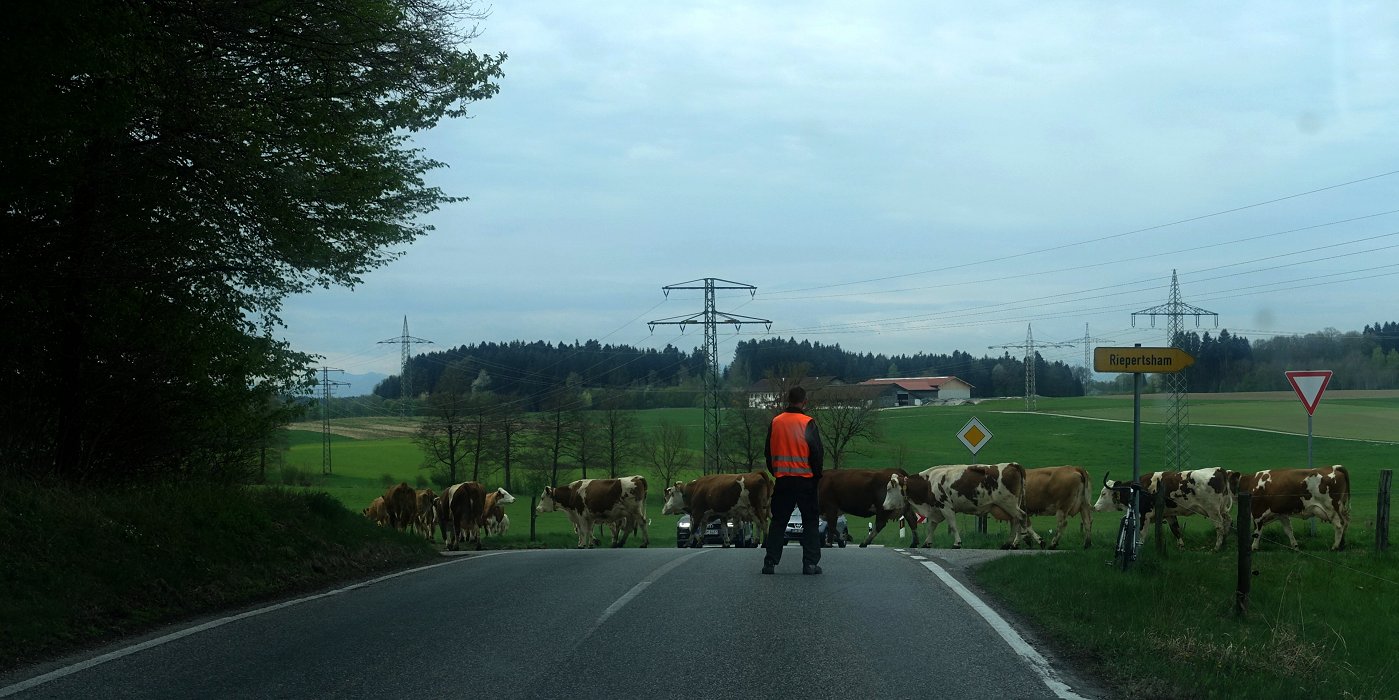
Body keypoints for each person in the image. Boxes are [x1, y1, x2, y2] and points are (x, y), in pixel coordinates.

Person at [762, 386, 825, 575]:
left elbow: (768, 452)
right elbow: (816, 453)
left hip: (783, 480)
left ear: (787, 400)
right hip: (805, 480)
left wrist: (776, 471)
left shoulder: (776, 422)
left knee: (779, 521)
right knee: (810, 521)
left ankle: (770, 562)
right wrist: (816, 476)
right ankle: (810, 563)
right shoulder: (808, 422)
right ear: (804, 401)